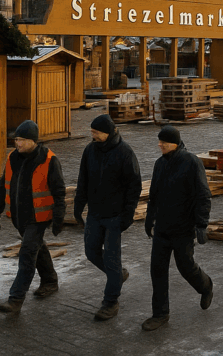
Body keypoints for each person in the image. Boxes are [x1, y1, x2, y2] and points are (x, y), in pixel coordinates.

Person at [142, 124, 213, 331]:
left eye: (163, 141)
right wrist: (149, 220)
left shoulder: (191, 162)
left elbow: (203, 195)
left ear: (174, 143)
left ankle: (206, 286)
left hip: (183, 228)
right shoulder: (159, 164)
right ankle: (160, 314)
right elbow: (153, 195)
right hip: (162, 229)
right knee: (157, 270)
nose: (159, 144)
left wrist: (201, 224)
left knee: (186, 267)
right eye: (159, 141)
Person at [0, 120, 66, 314]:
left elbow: (59, 192)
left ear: (33, 140)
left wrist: (58, 218)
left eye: (22, 140)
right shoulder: (12, 158)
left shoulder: (49, 160)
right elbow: (2, 186)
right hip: (19, 217)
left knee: (27, 254)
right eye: (16, 139)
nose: (18, 143)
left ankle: (15, 299)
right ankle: (50, 280)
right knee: (36, 247)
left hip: (39, 217)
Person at [74, 114, 142, 321]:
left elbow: (134, 186)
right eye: (92, 132)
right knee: (91, 251)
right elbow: (82, 180)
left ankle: (110, 302)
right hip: (95, 213)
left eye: (96, 132)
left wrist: (127, 216)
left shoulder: (125, 152)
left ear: (108, 132)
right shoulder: (90, 150)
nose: (92, 135)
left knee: (111, 260)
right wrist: (78, 207)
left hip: (115, 216)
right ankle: (118, 276)